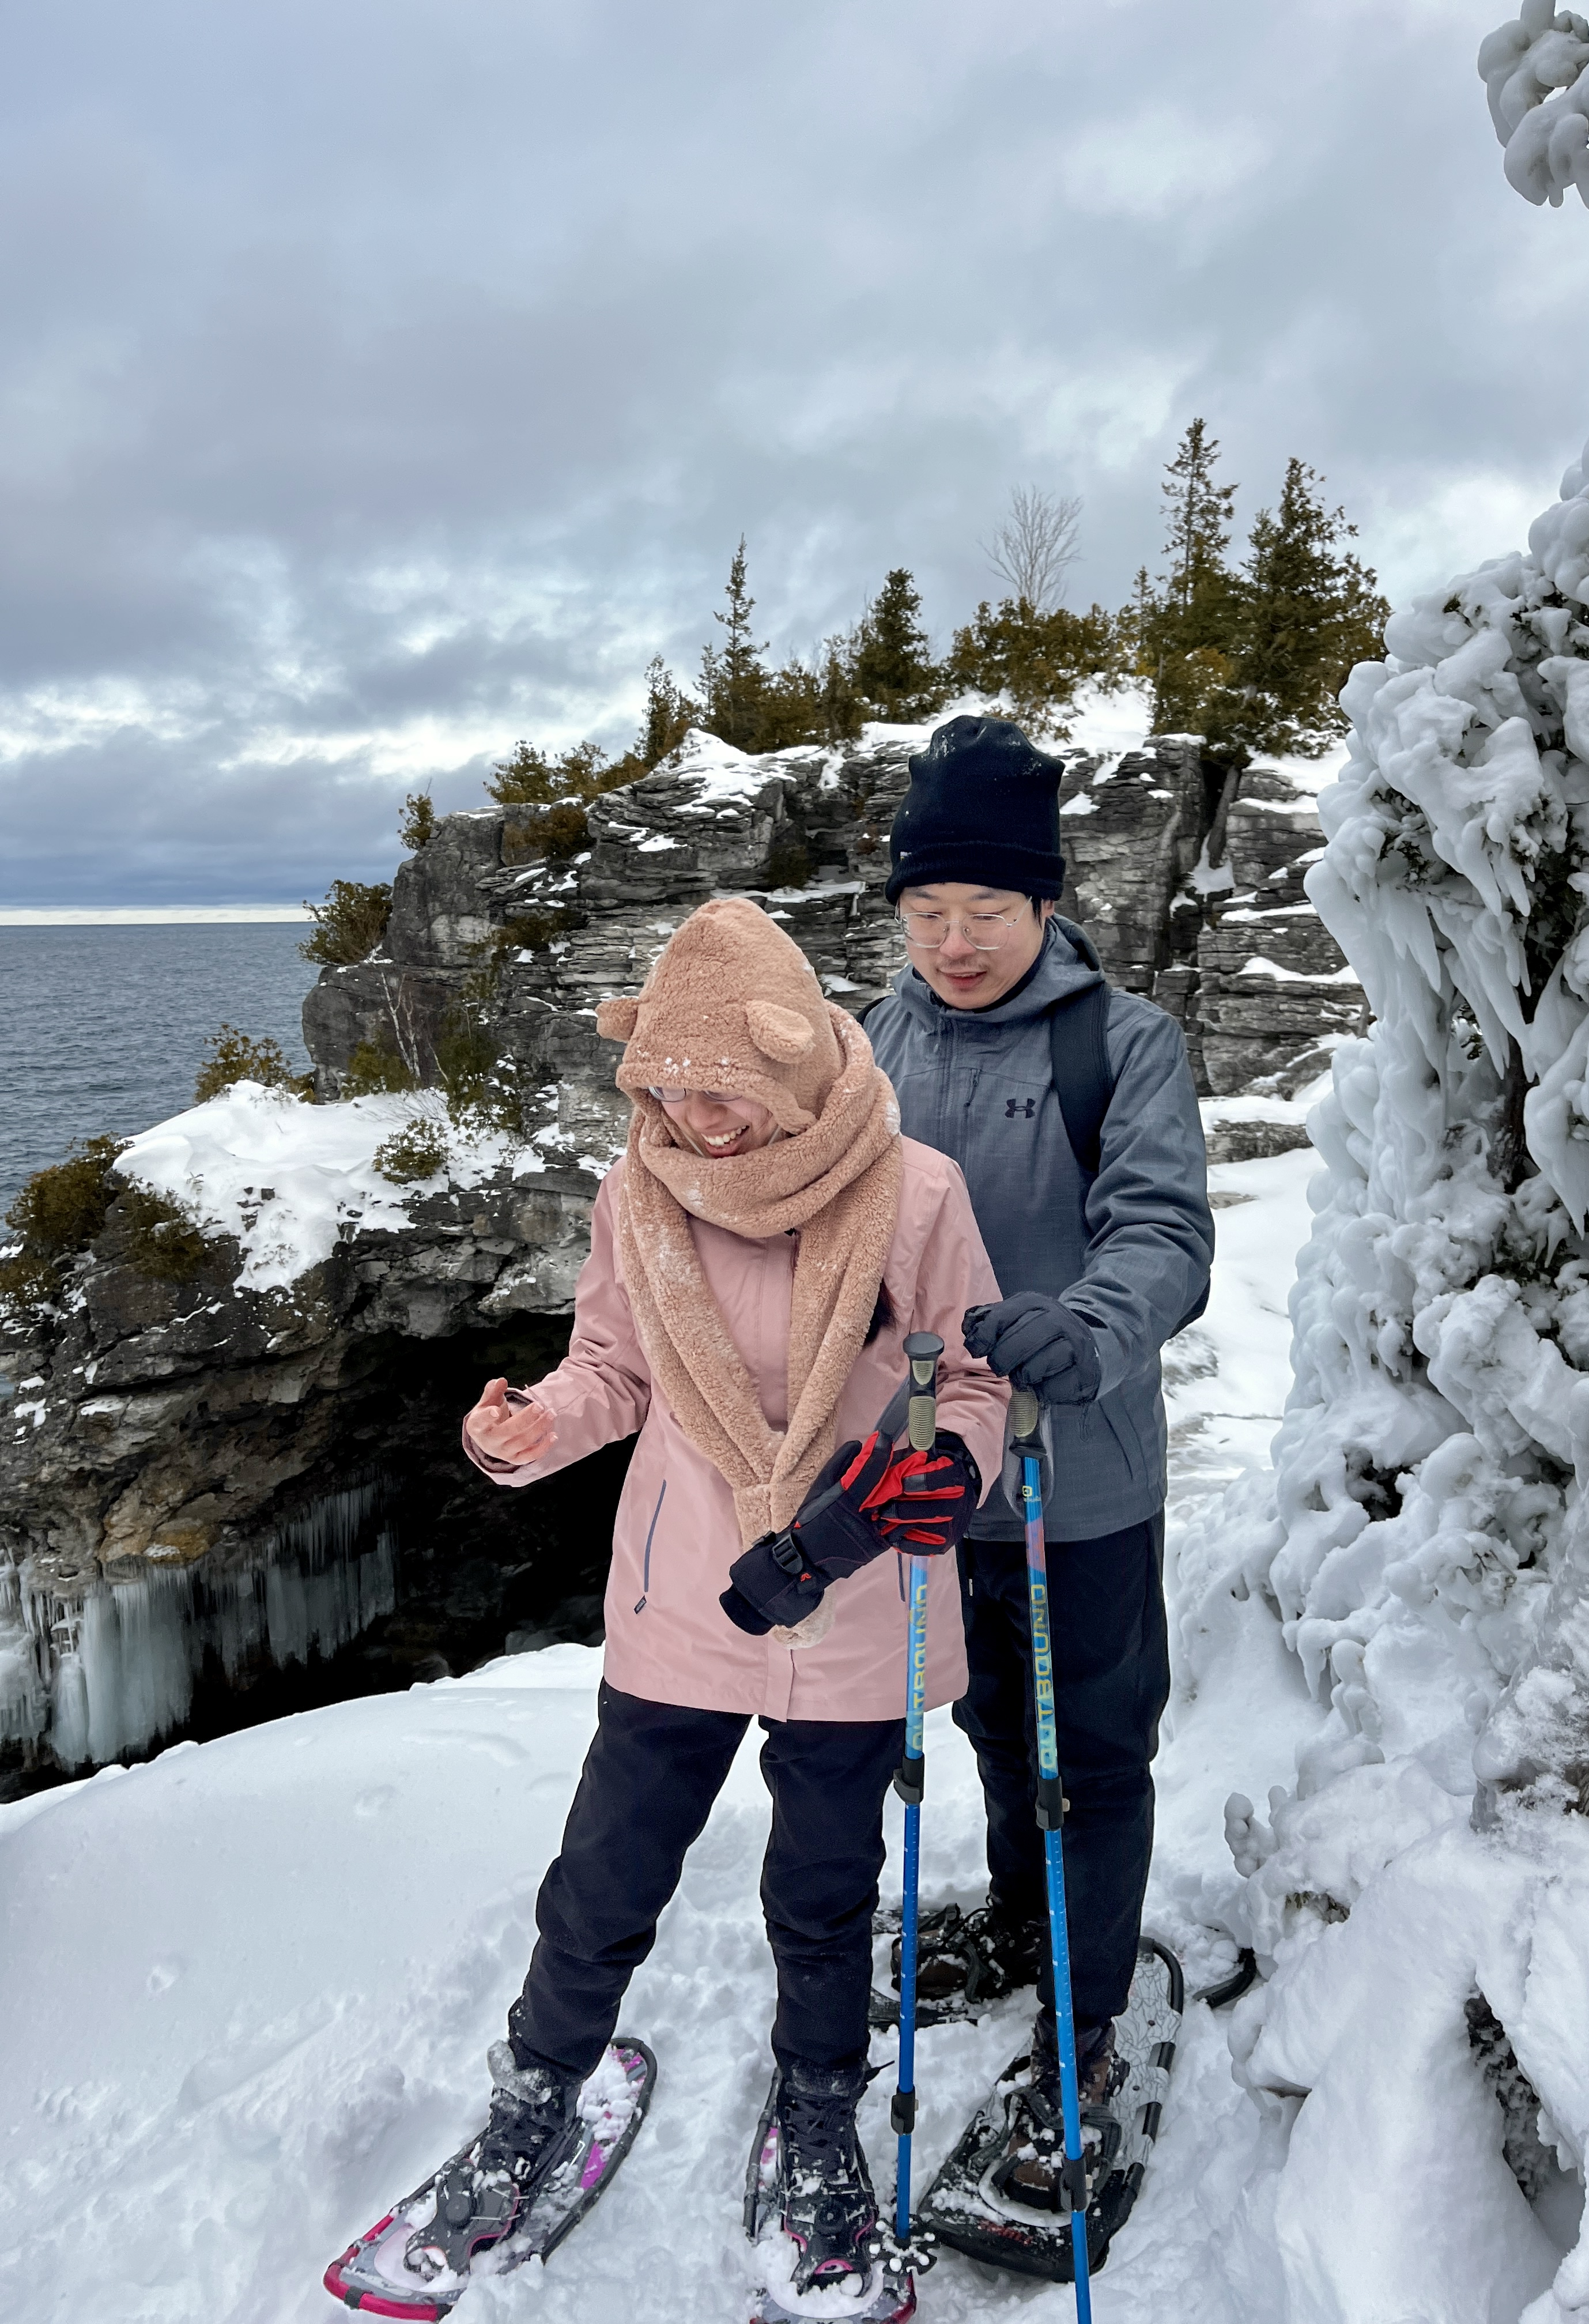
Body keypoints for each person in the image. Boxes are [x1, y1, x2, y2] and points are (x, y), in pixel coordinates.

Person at [421, 897, 1007, 2302]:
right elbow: (612, 1369)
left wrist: (952, 1473)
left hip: (854, 1592)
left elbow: (973, 1383)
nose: (696, 1117)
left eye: (724, 1088)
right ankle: (534, 2097)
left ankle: (818, 2122)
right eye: (667, 1089)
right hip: (684, 1597)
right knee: (607, 1873)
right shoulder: (639, 1193)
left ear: (794, 1061)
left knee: (824, 1892)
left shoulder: (912, 1192)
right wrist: (533, 1430)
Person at [865, 714, 1213, 2206]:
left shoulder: (1119, 1045)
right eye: (927, 911)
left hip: (1082, 1473)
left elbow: (1167, 1234)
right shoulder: (869, 1044)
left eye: (985, 911)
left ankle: (1087, 2023)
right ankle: (1025, 1922)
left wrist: (1093, 1321)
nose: (953, 941)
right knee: (995, 1721)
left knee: (1095, 1748)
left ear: (1048, 905)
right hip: (930, 1472)